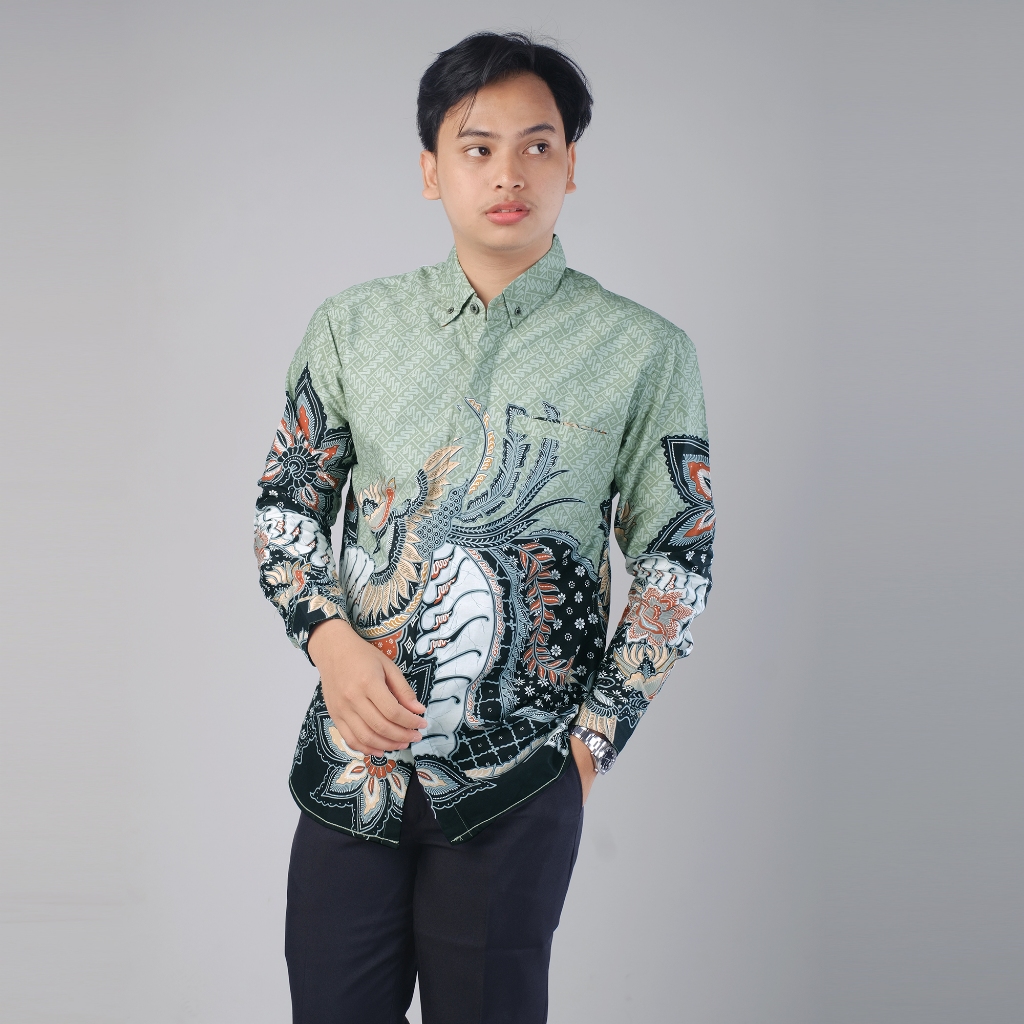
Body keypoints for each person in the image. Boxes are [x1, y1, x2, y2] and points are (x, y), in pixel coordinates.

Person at [254, 30, 715, 1024]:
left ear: (570, 164)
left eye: (537, 145)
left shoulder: (642, 351)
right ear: (432, 170)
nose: (509, 173)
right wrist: (331, 644)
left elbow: (676, 563)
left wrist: (588, 744)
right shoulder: (351, 327)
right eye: (478, 147)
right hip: (350, 772)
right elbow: (287, 508)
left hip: (519, 781)